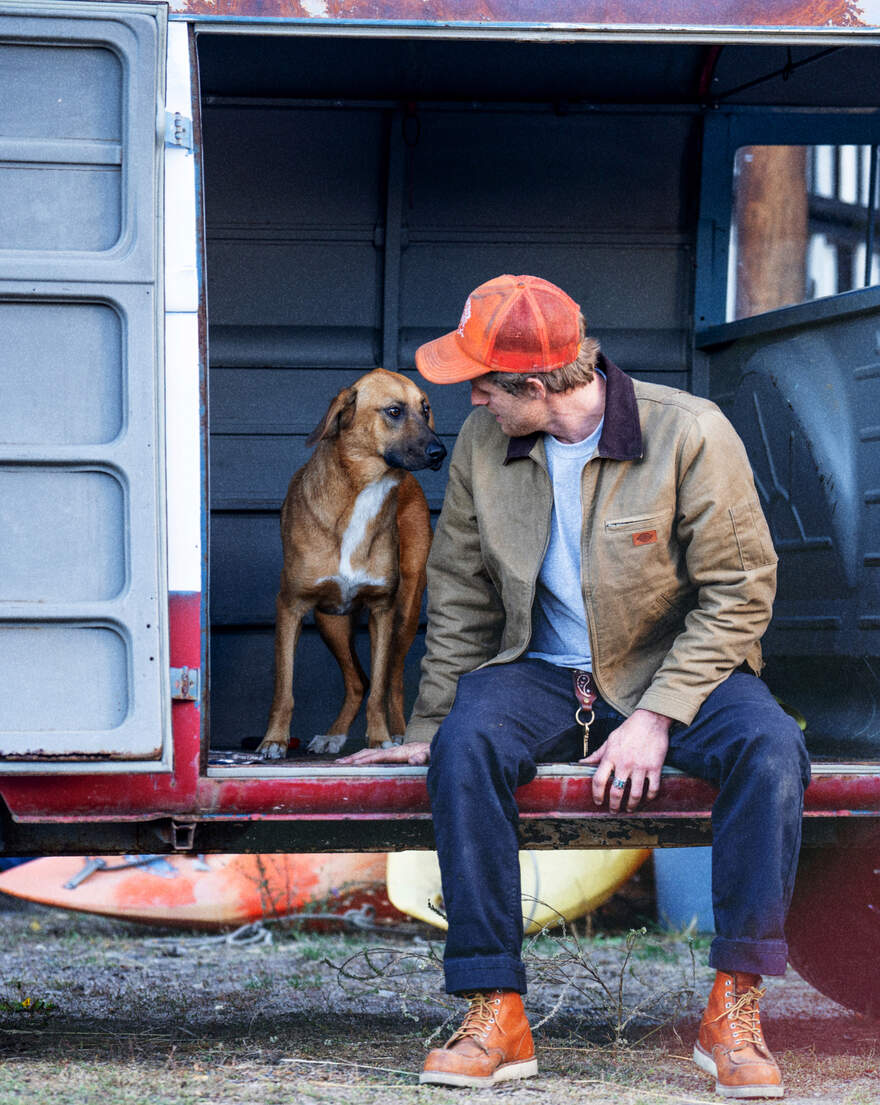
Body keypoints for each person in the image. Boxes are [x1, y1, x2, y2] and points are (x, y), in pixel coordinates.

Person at [338, 274, 810, 1098]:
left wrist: (658, 715)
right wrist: (430, 720)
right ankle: (495, 1008)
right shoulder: (491, 447)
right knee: (465, 745)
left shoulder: (689, 433)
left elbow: (742, 590)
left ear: (533, 385)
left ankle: (734, 1006)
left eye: (482, 384)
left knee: (773, 747)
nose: (470, 400)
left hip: (677, 671)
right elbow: (459, 595)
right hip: (546, 671)